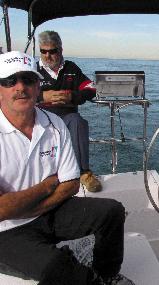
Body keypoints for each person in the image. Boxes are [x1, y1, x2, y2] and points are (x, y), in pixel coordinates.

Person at [0, 51, 133, 285]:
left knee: (112, 212)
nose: (20, 87)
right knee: (60, 268)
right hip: (6, 231)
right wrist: (47, 185)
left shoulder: (55, 124)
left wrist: (31, 208)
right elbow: (2, 210)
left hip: (49, 213)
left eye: (27, 80)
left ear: (38, 86)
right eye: (10, 81)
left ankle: (107, 274)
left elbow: (71, 185)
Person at [37, 30, 101, 192]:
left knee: (78, 122)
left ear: (60, 50)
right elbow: (19, 91)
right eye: (43, 51)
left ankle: (83, 173)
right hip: (39, 118)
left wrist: (71, 96)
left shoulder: (71, 68)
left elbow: (91, 87)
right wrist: (42, 96)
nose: (47, 56)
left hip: (66, 116)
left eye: (52, 51)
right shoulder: (33, 70)